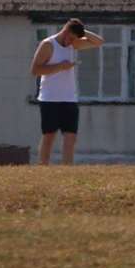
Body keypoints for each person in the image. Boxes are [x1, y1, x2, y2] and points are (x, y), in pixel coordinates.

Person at [30, 19, 103, 165]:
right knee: (49, 135)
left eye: (74, 39)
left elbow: (99, 42)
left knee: (70, 137)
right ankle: (43, 168)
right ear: (65, 31)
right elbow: (35, 70)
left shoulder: (73, 43)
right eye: (70, 38)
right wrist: (60, 67)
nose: (72, 43)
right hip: (49, 98)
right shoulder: (48, 45)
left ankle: (67, 170)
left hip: (69, 98)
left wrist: (82, 32)